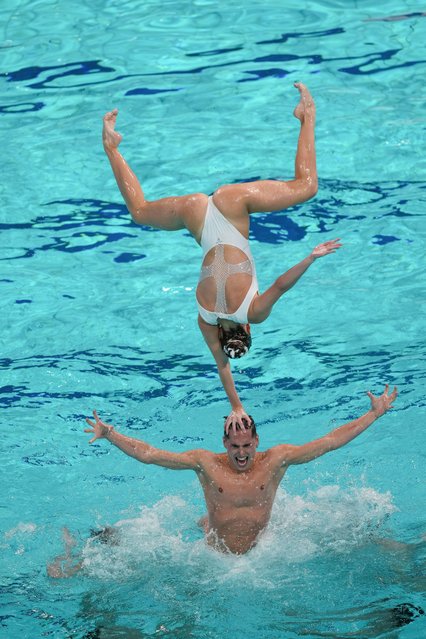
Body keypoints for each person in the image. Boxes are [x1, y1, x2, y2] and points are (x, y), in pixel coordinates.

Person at [102, 83, 342, 432]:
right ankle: (111, 147)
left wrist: (311, 257)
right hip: (196, 216)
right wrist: (235, 404)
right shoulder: (205, 318)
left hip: (232, 207)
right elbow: (221, 366)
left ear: (247, 329)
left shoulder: (252, 312)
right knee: (139, 211)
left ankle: (306, 116)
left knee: (307, 186)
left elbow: (280, 285)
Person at [84, 384, 398, 555]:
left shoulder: (276, 459)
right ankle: (204, 524)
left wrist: (373, 415)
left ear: (256, 441)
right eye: (235, 447)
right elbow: (151, 455)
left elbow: (329, 441)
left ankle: (206, 521)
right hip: (214, 556)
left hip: (261, 553)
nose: (242, 453)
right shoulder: (205, 463)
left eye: (247, 446)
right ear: (225, 443)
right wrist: (111, 435)